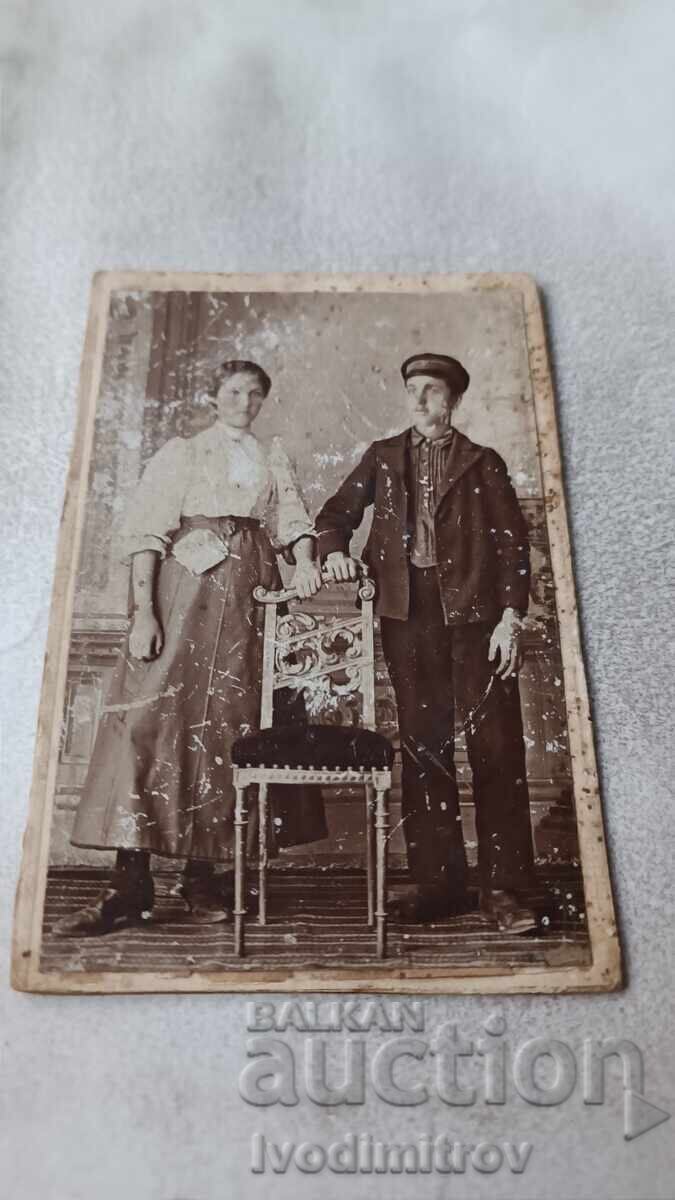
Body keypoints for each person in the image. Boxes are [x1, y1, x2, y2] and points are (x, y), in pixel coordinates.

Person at [57, 359, 325, 935]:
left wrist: (303, 561)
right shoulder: (182, 453)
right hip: (185, 597)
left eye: (256, 394)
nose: (245, 402)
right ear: (213, 396)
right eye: (234, 391)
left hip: (250, 600)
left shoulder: (270, 457)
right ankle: (129, 888)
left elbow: (293, 519)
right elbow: (147, 534)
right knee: (147, 725)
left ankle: (204, 881)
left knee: (230, 731)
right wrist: (145, 612)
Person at [315, 352, 537, 931]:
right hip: (407, 614)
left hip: (477, 617)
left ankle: (506, 891)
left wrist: (510, 617)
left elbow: (513, 546)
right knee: (423, 745)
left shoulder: (483, 463)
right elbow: (336, 513)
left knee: (495, 746)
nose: (420, 400)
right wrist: (335, 550)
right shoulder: (383, 457)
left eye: (433, 391)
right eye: (413, 389)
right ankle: (439, 885)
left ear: (454, 401)